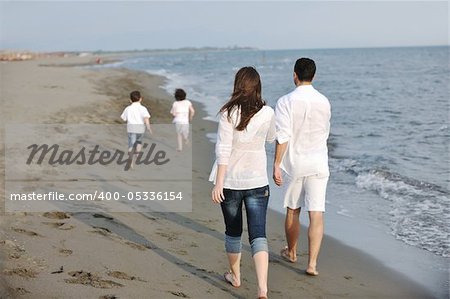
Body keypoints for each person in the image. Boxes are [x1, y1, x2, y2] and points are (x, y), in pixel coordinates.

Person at [209, 66, 275, 299]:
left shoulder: (229, 112)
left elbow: (223, 150)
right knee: (258, 234)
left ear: (237, 86)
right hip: (257, 181)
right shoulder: (267, 112)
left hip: (231, 183)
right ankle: (263, 289)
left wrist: (218, 183)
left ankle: (235, 276)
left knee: (233, 232)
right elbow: (271, 138)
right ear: (258, 87)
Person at [272, 58, 331, 276]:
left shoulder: (285, 101)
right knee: (316, 212)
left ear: (295, 75)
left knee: (293, 209)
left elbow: (283, 136)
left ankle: (292, 251)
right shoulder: (324, 101)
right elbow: (325, 132)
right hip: (319, 162)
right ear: (313, 76)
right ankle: (313, 264)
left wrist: (277, 164)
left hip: (295, 163)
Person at [120, 90, 153, 167]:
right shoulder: (143, 108)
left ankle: (130, 161)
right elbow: (146, 118)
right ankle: (138, 154)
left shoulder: (128, 108)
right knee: (139, 142)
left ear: (130, 100)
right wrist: (148, 127)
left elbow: (123, 118)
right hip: (140, 128)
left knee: (131, 144)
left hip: (131, 128)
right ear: (141, 99)